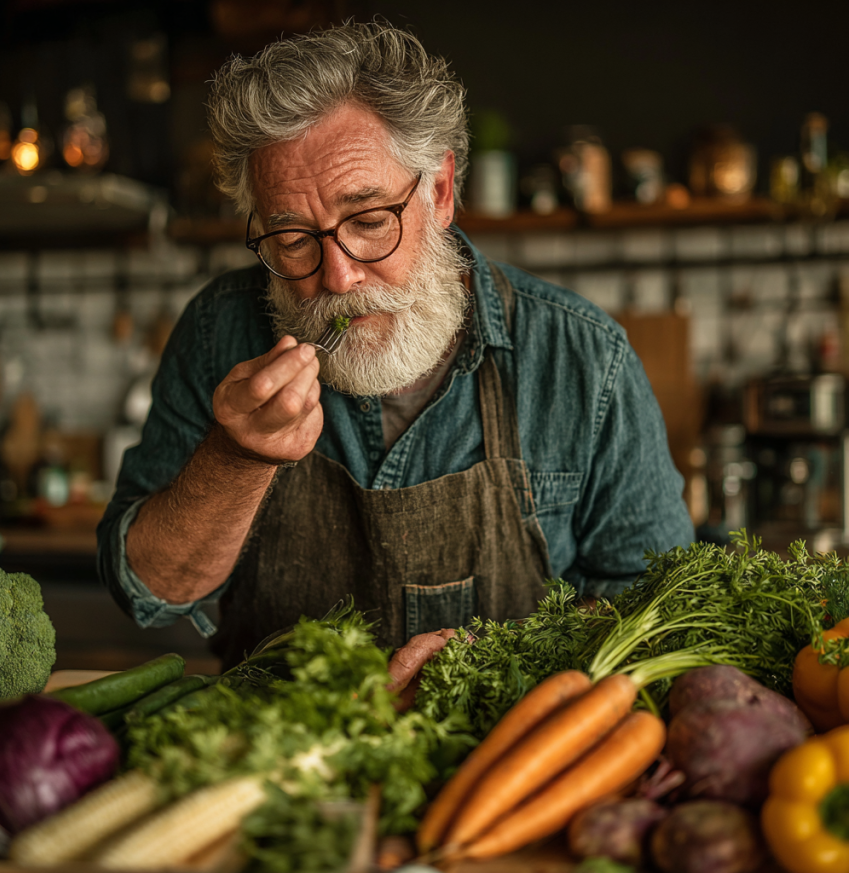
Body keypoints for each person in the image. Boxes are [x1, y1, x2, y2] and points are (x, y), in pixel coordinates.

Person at [97, 21, 694, 676]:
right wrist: (234, 458)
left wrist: (501, 662)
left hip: (506, 762)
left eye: (368, 219)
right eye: (292, 237)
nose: (337, 277)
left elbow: (657, 609)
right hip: (278, 761)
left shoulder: (582, 357)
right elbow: (148, 591)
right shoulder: (219, 332)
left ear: (437, 191)